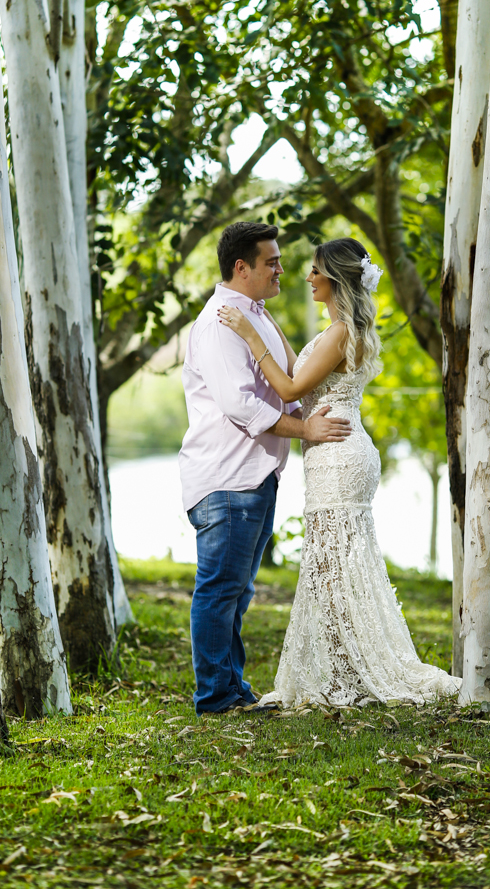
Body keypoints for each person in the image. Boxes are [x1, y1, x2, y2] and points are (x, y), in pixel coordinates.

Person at [218, 236, 462, 709]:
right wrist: (266, 325)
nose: (306, 277)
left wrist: (250, 335)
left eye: (313, 270)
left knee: (333, 568)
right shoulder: (334, 330)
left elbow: (289, 386)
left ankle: (353, 671)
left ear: (333, 277)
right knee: (335, 566)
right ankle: (345, 667)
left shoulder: (341, 331)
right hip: (339, 448)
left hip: (337, 452)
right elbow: (298, 370)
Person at [179, 221, 353, 716]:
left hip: (254, 475)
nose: (283, 269)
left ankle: (231, 687)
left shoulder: (253, 316)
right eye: (272, 261)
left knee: (238, 589)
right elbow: (240, 404)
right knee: (219, 590)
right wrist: (306, 432)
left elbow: (286, 384)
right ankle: (215, 696)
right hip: (227, 478)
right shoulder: (219, 323)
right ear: (242, 267)